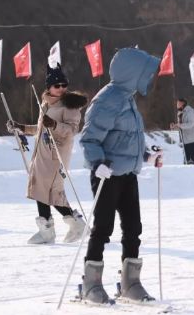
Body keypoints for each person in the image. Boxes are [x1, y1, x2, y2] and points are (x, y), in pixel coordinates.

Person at [79, 48, 163, 304]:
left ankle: (130, 283)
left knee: (133, 228)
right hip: (107, 174)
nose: (148, 79)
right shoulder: (107, 100)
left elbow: (127, 139)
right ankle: (91, 284)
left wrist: (147, 156)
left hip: (128, 175)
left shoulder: (127, 98)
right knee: (103, 227)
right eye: (145, 74)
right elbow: (89, 138)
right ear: (131, 74)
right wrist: (97, 163)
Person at [7, 64, 87, 245]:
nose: (61, 89)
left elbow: (72, 130)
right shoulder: (45, 103)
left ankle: (72, 226)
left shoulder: (70, 106)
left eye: (63, 85)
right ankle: (50, 229)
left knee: (52, 191)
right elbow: (41, 129)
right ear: (49, 87)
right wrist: (21, 127)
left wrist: (54, 125)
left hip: (55, 155)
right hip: (41, 154)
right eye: (57, 85)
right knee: (40, 190)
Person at [170, 98, 194, 164]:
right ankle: (187, 168)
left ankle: (192, 168)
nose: (177, 105)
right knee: (186, 157)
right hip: (185, 138)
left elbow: (190, 124)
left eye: (178, 104)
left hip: (191, 138)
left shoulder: (190, 112)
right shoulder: (180, 113)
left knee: (190, 157)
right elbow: (181, 126)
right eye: (177, 104)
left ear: (183, 104)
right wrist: (174, 126)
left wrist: (179, 125)